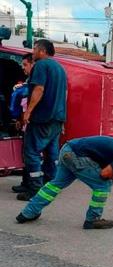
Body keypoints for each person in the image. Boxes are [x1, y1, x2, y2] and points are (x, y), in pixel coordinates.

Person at [16, 136, 113, 229]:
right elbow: (105, 174)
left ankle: (28, 213)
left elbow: (107, 164)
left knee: (55, 184)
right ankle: (92, 220)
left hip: (67, 150)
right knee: (103, 185)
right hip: (76, 156)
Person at [17, 39, 67, 201]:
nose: (33, 52)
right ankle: (51, 186)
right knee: (51, 154)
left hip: (42, 118)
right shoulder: (60, 68)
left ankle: (35, 189)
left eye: (35, 49)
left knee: (31, 152)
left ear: (43, 51)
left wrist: (28, 112)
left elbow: (38, 88)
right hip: (57, 118)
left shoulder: (41, 65)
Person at [9, 53, 34, 194]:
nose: (23, 68)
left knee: (30, 154)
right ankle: (26, 182)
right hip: (27, 124)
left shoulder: (32, 85)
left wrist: (20, 118)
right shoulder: (28, 83)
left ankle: (31, 185)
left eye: (25, 65)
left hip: (31, 124)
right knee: (27, 154)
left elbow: (27, 104)